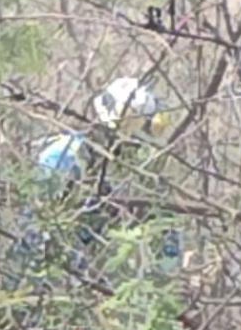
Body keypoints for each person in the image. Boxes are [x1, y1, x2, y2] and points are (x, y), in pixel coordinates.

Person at [9, 77, 178, 289]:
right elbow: (33, 225)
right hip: (43, 280)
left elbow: (159, 230)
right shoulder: (64, 156)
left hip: (90, 280)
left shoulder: (125, 172)